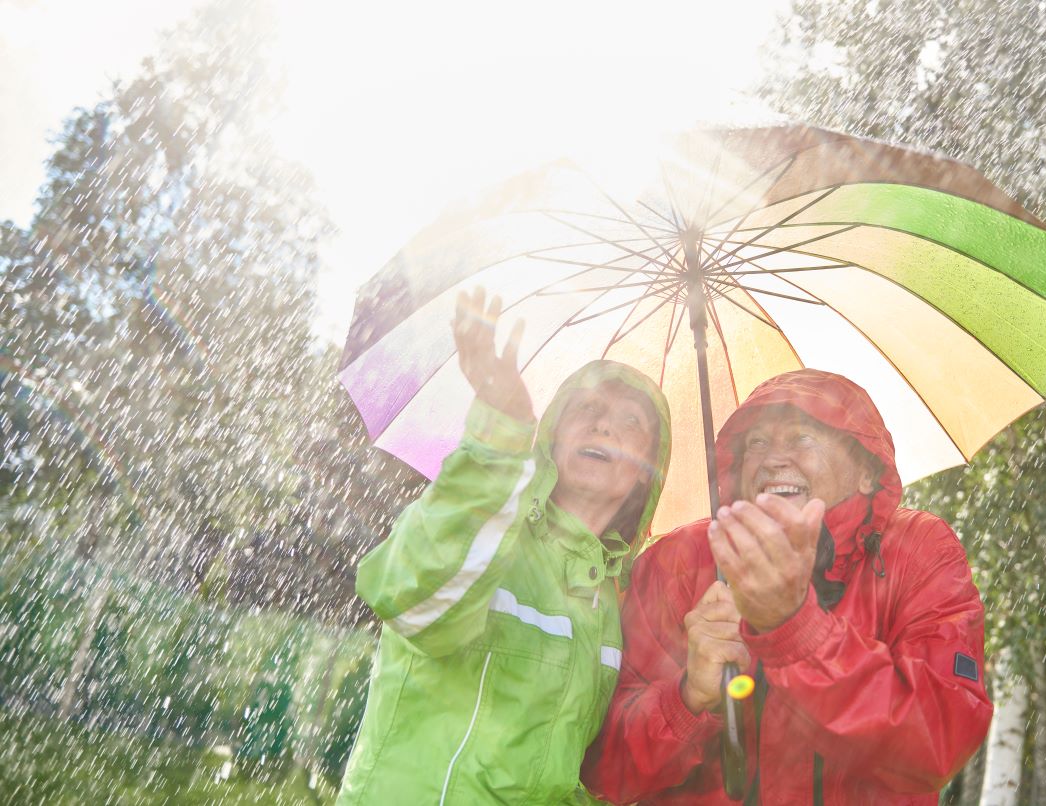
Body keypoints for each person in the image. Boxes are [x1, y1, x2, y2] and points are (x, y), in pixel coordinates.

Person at [581, 368, 992, 804]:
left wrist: (795, 627)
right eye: (757, 443)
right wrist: (687, 699)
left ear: (866, 473)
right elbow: (606, 772)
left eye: (801, 438)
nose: (773, 459)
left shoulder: (918, 551)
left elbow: (935, 742)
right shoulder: (679, 560)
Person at [338, 289, 672, 804]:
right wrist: (500, 431)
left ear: (648, 471)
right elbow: (414, 600)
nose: (604, 424)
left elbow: (556, 774)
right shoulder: (493, 528)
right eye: (587, 408)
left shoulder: (614, 602)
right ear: (552, 436)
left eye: (633, 422)